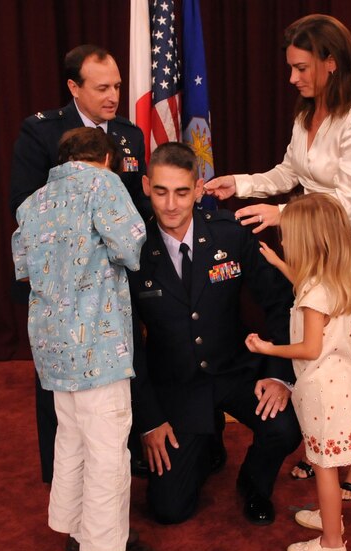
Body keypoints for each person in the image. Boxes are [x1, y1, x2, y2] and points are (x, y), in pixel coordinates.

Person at [204, 14, 351, 498]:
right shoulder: (306, 115)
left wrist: (284, 215)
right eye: (290, 68)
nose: (293, 78)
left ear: (331, 63)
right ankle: (324, 445)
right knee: (313, 344)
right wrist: (241, 184)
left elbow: (345, 201)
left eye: (301, 67)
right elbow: (289, 171)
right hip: (312, 244)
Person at [127, 142, 302, 526]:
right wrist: (150, 420)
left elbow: (280, 302)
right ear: (145, 186)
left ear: (199, 188)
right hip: (177, 385)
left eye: (182, 191)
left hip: (235, 369)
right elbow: (128, 346)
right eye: (160, 191)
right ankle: (206, 442)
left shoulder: (228, 234)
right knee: (169, 510)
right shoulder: (131, 250)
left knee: (285, 427)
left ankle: (254, 484)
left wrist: (278, 374)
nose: (171, 204)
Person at [11, 127, 153, 551]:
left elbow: (23, 269)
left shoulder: (31, 204)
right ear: (106, 159)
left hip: (53, 348)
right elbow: (132, 243)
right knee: (109, 448)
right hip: (99, 343)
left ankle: (76, 536)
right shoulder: (102, 184)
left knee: (70, 440)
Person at [10, 44, 150, 484]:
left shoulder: (128, 134)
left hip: (118, 284)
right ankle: (65, 477)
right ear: (74, 87)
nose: (113, 96)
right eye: (102, 87)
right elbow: (24, 206)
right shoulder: (42, 133)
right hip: (64, 292)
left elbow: (138, 207)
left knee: (122, 375)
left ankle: (130, 457)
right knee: (62, 397)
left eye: (118, 87)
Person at [246, 193, 351, 551]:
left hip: (322, 390)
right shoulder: (333, 277)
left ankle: (332, 542)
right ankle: (329, 514)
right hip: (344, 385)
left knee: (323, 467)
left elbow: (308, 348)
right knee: (328, 466)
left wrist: (268, 350)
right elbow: (305, 283)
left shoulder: (314, 293)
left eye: (288, 236)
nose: (284, 241)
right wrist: (279, 263)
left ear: (309, 241)